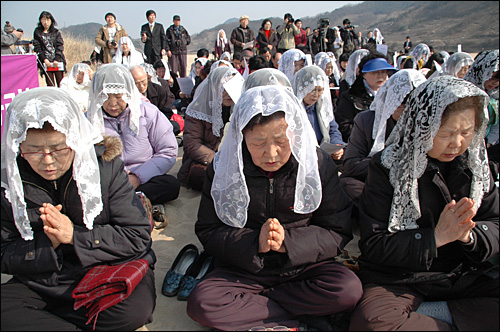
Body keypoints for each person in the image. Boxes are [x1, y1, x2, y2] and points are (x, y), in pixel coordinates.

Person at [186, 85, 362, 331]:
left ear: (295, 133)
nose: (271, 153)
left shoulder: (317, 165)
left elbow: (337, 230)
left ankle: (257, 311)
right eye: (258, 143)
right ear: (241, 137)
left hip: (303, 267)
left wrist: (287, 243)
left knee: (348, 290)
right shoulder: (225, 166)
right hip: (245, 268)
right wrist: (254, 243)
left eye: (281, 141)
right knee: (202, 304)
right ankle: (301, 317)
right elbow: (208, 229)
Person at [350, 75, 499, 331]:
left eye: (466, 132)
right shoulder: (388, 167)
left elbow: (495, 221)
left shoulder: (476, 167)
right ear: (422, 126)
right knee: (373, 323)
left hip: (464, 273)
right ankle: (460, 319)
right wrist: (436, 238)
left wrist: (468, 237)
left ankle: (438, 316)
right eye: (447, 133)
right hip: (403, 278)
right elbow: (374, 244)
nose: (458, 143)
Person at [1, 87, 156, 330]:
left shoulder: (105, 167)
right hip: (41, 278)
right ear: (17, 145)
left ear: (74, 138)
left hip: (104, 269)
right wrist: (46, 244)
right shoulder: (8, 180)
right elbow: (4, 252)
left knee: (132, 312)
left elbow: (137, 237)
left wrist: (73, 236)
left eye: (58, 148)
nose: (48, 160)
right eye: (33, 150)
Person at [86, 63, 180, 207]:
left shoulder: (148, 112)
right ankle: (133, 201)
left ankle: (122, 202)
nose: (112, 104)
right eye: (105, 97)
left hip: (144, 177)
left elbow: (168, 151)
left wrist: (137, 177)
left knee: (170, 185)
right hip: (109, 181)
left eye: (118, 96)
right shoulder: (88, 120)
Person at [340, 69, 427, 208]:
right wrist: (388, 161)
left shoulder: (428, 124)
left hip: (414, 184)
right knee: (347, 186)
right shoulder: (366, 121)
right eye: (403, 104)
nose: (409, 111)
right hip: (373, 182)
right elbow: (352, 165)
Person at [177, 66, 241, 191]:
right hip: (205, 160)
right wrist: (218, 160)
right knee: (201, 175)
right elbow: (192, 145)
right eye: (223, 88)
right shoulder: (198, 109)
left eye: (231, 88)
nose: (228, 93)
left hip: (231, 159)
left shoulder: (237, 107)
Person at [336, 52, 396, 142]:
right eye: (375, 72)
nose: (380, 76)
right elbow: (344, 126)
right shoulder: (350, 96)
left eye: (383, 72)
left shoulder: (393, 96)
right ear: (364, 74)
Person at [292, 65, 346, 162]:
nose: (316, 94)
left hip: (323, 158)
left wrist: (337, 145)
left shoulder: (323, 108)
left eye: (320, 90)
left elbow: (333, 129)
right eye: (312, 90)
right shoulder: (293, 110)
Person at [130, 65, 179, 135]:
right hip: (137, 126)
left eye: (143, 81)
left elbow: (166, 111)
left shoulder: (158, 90)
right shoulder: (128, 94)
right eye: (137, 83)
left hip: (156, 124)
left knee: (174, 126)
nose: (141, 86)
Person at [33, 11, 66, 87]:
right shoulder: (37, 32)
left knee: (61, 84)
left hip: (57, 61)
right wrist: (44, 59)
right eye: (44, 20)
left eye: (48, 20)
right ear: (40, 20)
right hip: (46, 62)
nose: (46, 22)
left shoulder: (56, 32)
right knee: (50, 85)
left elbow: (60, 46)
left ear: (51, 21)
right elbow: (37, 47)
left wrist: (56, 59)